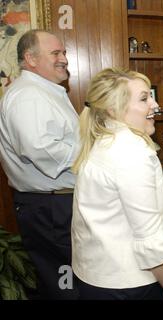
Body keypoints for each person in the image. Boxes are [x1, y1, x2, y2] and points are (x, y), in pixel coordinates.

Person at [71, 68, 163, 300]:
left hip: (94, 275)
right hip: (128, 283)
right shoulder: (131, 152)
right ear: (113, 109)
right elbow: (149, 238)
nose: (155, 104)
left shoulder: (101, 140)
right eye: (144, 98)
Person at [0, 30, 79, 299]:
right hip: (51, 207)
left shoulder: (43, 91)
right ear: (30, 59)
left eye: (64, 53)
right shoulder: (28, 96)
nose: (64, 59)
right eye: (56, 53)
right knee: (63, 280)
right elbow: (42, 150)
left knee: (68, 274)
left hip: (56, 204)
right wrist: (92, 155)